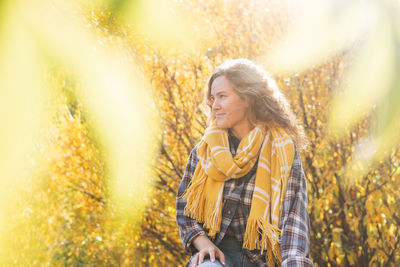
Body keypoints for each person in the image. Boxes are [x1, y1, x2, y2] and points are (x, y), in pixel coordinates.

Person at [176, 58, 313, 267]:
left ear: (248, 98)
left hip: (265, 262)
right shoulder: (205, 150)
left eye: (222, 96)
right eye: (212, 98)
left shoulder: (282, 151)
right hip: (219, 258)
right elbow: (184, 210)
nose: (215, 106)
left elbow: (294, 222)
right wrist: (203, 245)